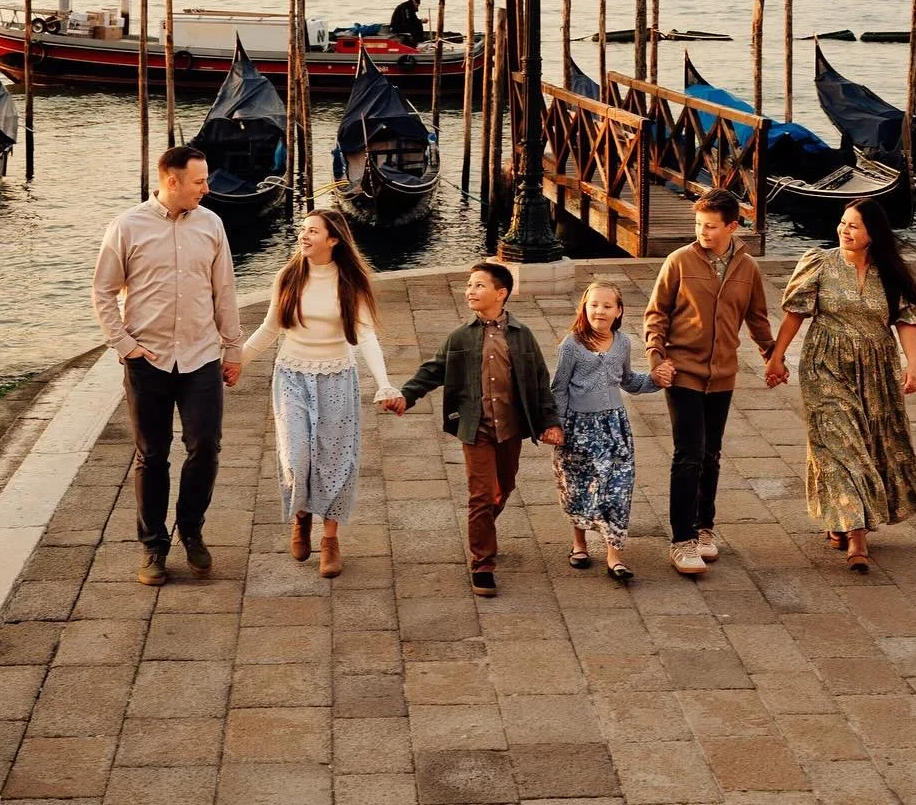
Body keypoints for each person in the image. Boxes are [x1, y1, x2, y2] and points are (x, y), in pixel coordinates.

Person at [91, 145, 242, 587]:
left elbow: (225, 291)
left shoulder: (212, 224)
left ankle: (191, 531)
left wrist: (232, 349)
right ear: (172, 181)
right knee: (152, 455)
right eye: (199, 181)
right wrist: (123, 344)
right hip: (148, 360)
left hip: (200, 357)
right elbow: (103, 291)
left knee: (206, 447)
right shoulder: (127, 226)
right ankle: (154, 546)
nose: (206, 188)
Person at [384, 261, 563, 597]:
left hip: (510, 428)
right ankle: (483, 563)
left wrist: (550, 423)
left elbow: (540, 384)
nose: (470, 291)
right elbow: (432, 371)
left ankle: (482, 529)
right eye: (469, 285)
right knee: (480, 494)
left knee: (503, 488)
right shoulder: (460, 336)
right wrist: (405, 397)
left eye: (479, 285)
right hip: (475, 428)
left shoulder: (522, 337)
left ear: (501, 293)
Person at [765, 200, 916, 572]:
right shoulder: (819, 263)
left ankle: (839, 516)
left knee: (868, 443)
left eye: (853, 226)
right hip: (825, 364)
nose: (844, 230)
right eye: (842, 223)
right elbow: (796, 313)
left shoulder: (890, 273)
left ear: (873, 234)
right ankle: (857, 534)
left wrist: (912, 364)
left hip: (876, 369)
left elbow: (906, 320)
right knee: (840, 443)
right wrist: (777, 356)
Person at [242, 208, 401, 578]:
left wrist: (384, 383)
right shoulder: (289, 276)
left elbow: (365, 336)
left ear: (333, 240)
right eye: (303, 229)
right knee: (295, 456)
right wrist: (237, 362)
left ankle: (330, 539)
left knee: (334, 460)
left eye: (313, 231)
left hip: (336, 379)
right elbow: (269, 328)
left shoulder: (350, 283)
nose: (304, 235)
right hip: (291, 376)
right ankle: (301, 518)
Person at [643, 189, 776, 577]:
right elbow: (656, 315)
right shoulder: (678, 261)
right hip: (682, 372)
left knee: (711, 455)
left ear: (732, 226)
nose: (702, 232)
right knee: (688, 454)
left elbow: (757, 318)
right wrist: (656, 359)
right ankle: (681, 539)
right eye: (699, 225)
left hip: (723, 376)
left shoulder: (748, 268)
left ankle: (704, 528)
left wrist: (772, 356)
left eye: (711, 226)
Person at [550, 280, 660, 583]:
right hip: (578, 427)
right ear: (584, 308)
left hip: (614, 428)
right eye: (594, 304)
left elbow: (628, 380)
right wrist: (556, 426)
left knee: (618, 487)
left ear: (619, 310)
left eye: (607, 305)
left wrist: (657, 380)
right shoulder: (571, 345)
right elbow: (559, 388)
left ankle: (614, 556)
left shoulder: (623, 343)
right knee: (578, 486)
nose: (600, 310)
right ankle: (579, 543)